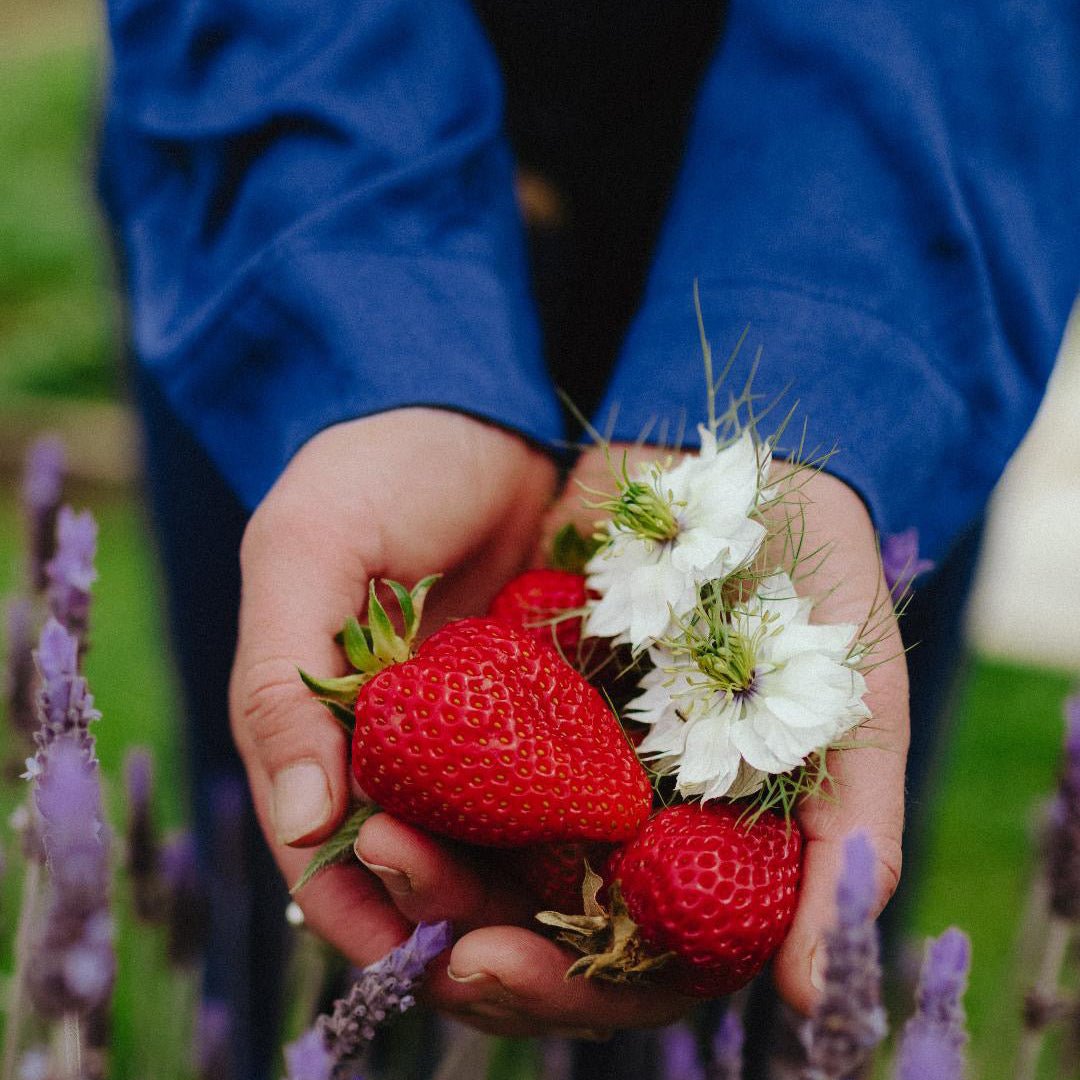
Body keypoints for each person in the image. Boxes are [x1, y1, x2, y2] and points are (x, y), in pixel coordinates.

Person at [98, 1, 1080, 1076]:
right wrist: (369, 330)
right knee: (296, 973)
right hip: (302, 196)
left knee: (772, 1026)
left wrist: (825, 360)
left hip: (879, 215)